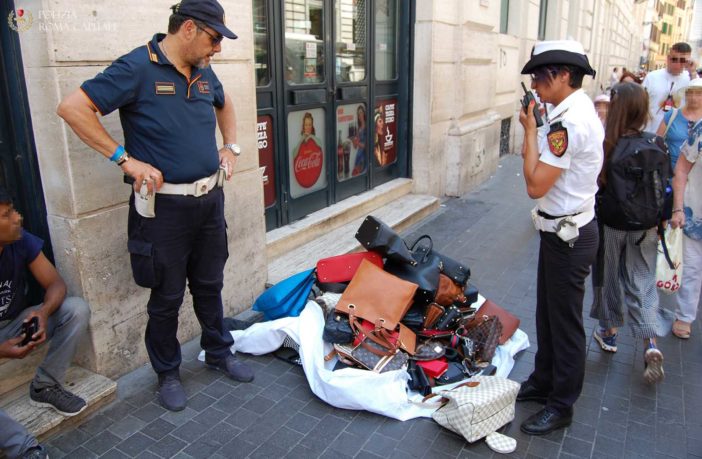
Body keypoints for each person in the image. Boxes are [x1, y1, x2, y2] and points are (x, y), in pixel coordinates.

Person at [56, 0, 254, 412]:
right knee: (165, 296)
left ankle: (218, 351)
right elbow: (72, 108)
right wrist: (124, 159)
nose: (217, 48)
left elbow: (225, 103)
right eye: (214, 38)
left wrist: (230, 147)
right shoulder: (136, 67)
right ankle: (167, 373)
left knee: (209, 284)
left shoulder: (203, 71)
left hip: (208, 203)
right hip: (162, 211)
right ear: (189, 29)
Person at [516, 40, 602, 436]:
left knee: (564, 324)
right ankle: (544, 381)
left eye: (540, 75)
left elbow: (534, 185)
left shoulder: (570, 122)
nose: (534, 82)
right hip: (558, 230)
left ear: (564, 76)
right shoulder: (567, 109)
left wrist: (530, 132)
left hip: (569, 236)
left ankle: (561, 404)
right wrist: (535, 128)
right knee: (548, 315)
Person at [0, 187, 90, 459]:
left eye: (13, 210)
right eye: (7, 214)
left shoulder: (19, 241)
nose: (18, 218)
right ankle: (24, 449)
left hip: (14, 323)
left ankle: (44, 386)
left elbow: (55, 283)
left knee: (75, 309)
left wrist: (42, 312)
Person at [589, 82, 667, 384]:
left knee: (608, 277)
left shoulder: (608, 143)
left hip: (611, 223)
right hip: (646, 224)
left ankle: (609, 333)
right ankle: (650, 343)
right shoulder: (656, 144)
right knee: (643, 281)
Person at [669, 88, 702, 339]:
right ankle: (684, 316)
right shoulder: (700, 130)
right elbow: (681, 170)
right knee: (691, 268)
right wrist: (678, 208)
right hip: (696, 214)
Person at [642, 42, 696, 133]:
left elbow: (697, 104)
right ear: (668, 58)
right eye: (674, 59)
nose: (678, 64)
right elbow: (639, 104)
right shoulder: (652, 77)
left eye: (683, 60)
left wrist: (693, 73)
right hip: (650, 133)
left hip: (675, 137)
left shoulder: (691, 80)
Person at [657, 79, 702, 168]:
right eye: (690, 93)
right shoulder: (672, 115)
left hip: (696, 174)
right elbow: (658, 141)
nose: (693, 98)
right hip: (669, 170)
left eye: (698, 94)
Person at [352, 105, 367, 176]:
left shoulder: (367, 126)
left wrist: (357, 143)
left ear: (364, 113)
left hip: (364, 156)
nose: (360, 115)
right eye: (358, 113)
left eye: (361, 112)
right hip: (358, 156)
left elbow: (366, 146)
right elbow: (355, 146)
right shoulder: (359, 128)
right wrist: (352, 140)